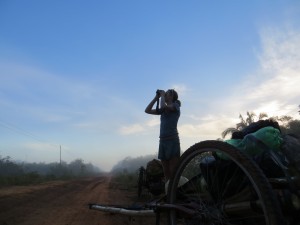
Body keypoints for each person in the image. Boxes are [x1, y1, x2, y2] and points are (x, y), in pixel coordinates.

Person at [145, 89, 181, 181]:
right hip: (163, 141)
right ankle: (168, 192)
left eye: (167, 94)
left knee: (173, 170)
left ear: (172, 96)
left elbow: (164, 106)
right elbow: (147, 110)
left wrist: (161, 96)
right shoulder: (162, 110)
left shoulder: (176, 106)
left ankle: (175, 192)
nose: (165, 96)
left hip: (172, 140)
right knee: (166, 171)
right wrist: (156, 98)